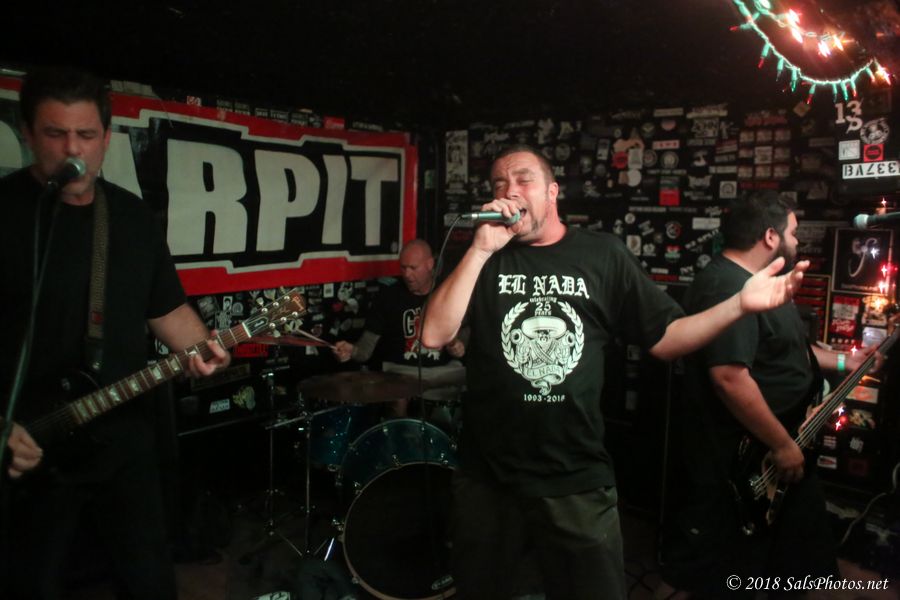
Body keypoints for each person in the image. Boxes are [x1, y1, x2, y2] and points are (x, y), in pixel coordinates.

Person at [420, 145, 809, 600]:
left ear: (552, 191)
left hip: (575, 476)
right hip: (487, 476)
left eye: (523, 179)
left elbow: (668, 338)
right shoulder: (484, 257)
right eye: (499, 184)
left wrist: (738, 304)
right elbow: (434, 334)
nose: (510, 191)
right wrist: (480, 250)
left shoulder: (601, 255)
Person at [0, 67, 230, 600]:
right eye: (55, 134)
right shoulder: (6, 211)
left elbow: (168, 310)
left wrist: (203, 349)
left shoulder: (130, 218)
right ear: (28, 133)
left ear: (106, 137)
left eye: (85, 134)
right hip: (28, 448)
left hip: (121, 444)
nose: (72, 149)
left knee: (148, 582)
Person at [658, 192, 881, 598]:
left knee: (794, 567)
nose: (797, 241)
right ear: (770, 237)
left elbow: (787, 349)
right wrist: (781, 444)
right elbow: (729, 377)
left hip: (784, 448)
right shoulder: (727, 285)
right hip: (748, 461)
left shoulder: (762, 282)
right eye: (793, 233)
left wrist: (847, 361)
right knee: (723, 575)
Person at [333, 239, 466, 418]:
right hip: (400, 372)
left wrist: (459, 345)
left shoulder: (449, 293)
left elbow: (464, 339)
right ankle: (400, 433)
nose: (407, 275)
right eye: (403, 268)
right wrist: (352, 351)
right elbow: (365, 349)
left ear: (430, 264)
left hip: (442, 372)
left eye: (413, 268)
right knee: (398, 396)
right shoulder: (388, 297)